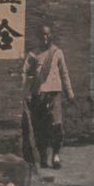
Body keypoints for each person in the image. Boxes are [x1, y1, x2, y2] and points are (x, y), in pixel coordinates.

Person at [22, 23, 75, 169]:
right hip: (39, 95)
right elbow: (24, 73)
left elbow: (64, 73)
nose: (45, 38)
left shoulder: (57, 52)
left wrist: (70, 93)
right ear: (38, 37)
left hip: (54, 94)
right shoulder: (33, 54)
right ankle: (43, 156)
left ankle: (56, 155)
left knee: (57, 125)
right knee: (40, 127)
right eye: (42, 35)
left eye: (47, 34)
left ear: (52, 35)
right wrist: (25, 90)